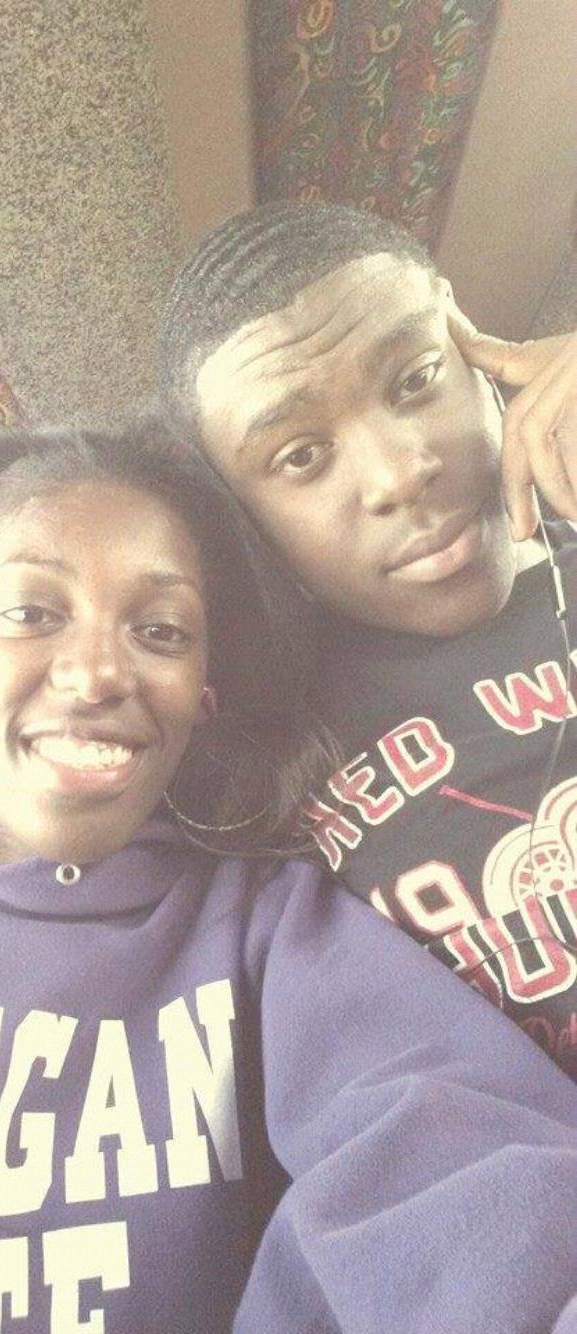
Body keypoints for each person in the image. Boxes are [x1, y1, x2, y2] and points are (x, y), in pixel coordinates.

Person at [0, 421, 575, 1333]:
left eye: (161, 631)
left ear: (204, 693)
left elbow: (458, 1168)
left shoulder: (268, 932)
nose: (97, 675)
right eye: (31, 613)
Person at [158, 199, 577, 1077]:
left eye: (416, 378)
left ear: (469, 342)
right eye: (300, 456)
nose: (398, 474)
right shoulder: (249, 761)